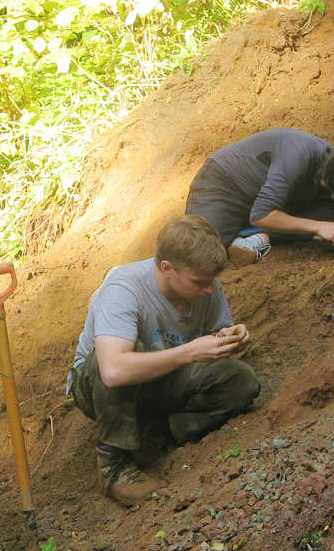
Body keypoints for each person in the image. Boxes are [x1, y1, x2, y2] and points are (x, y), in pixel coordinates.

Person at [67, 215, 261, 506]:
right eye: (200, 282)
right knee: (127, 351)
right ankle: (114, 464)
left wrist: (226, 337)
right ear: (167, 269)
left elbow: (209, 335)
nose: (209, 290)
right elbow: (112, 371)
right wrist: (191, 352)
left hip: (162, 379)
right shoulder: (124, 289)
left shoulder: (204, 283)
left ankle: (161, 433)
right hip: (98, 387)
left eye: (212, 281)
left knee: (241, 381)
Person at [185, 127, 334, 265]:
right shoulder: (297, 157)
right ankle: (250, 229)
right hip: (226, 184)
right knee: (203, 254)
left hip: (273, 194)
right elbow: (260, 214)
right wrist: (317, 226)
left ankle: (258, 237)